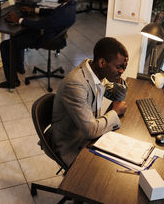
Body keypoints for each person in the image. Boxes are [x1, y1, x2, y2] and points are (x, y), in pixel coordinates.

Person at [49, 37, 129, 166]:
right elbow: (91, 130)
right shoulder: (76, 84)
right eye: (119, 66)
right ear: (102, 63)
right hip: (73, 145)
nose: (122, 71)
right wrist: (114, 112)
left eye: (124, 67)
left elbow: (117, 96)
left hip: (88, 133)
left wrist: (118, 76)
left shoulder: (96, 72)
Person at [0, 0, 77, 89]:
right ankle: (19, 67)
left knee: (5, 45)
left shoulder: (63, 12)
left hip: (47, 39)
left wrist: (19, 20)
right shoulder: (70, 6)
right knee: (18, 36)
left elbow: (41, 24)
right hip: (56, 36)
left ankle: (12, 82)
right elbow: (53, 12)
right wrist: (34, 10)